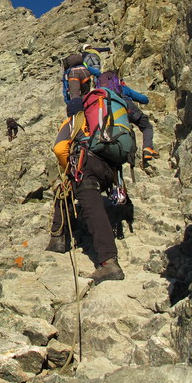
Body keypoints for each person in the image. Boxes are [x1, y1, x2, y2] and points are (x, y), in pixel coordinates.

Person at [48, 97, 126, 284]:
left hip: (87, 166)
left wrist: (72, 168)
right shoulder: (101, 121)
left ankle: (109, 262)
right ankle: (57, 239)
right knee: (66, 190)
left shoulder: (74, 121)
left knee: (91, 208)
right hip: (110, 171)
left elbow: (59, 149)